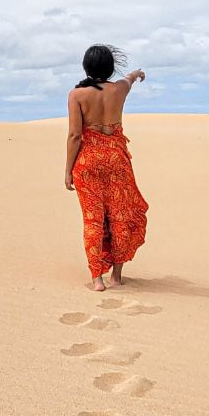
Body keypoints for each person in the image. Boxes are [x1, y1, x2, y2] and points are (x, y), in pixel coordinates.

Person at [64, 44, 149, 291]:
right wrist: (136, 74)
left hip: (88, 162)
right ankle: (116, 276)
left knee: (93, 219)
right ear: (111, 67)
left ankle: (97, 279)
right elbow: (128, 80)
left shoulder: (76, 95)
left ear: (86, 67)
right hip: (116, 160)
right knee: (119, 215)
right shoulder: (120, 89)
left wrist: (68, 170)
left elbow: (74, 136)